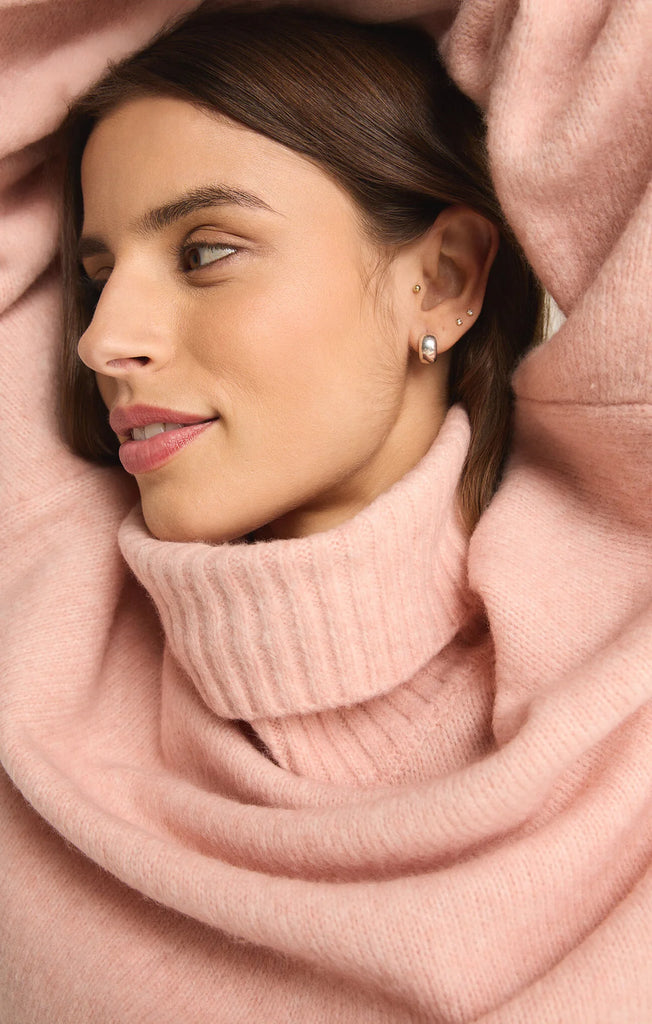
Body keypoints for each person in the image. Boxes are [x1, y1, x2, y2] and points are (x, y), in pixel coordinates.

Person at [0, 1, 650, 1021]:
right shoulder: (39, 623)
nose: (101, 341)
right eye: (97, 276)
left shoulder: (626, 627)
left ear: (441, 280)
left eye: (206, 252)